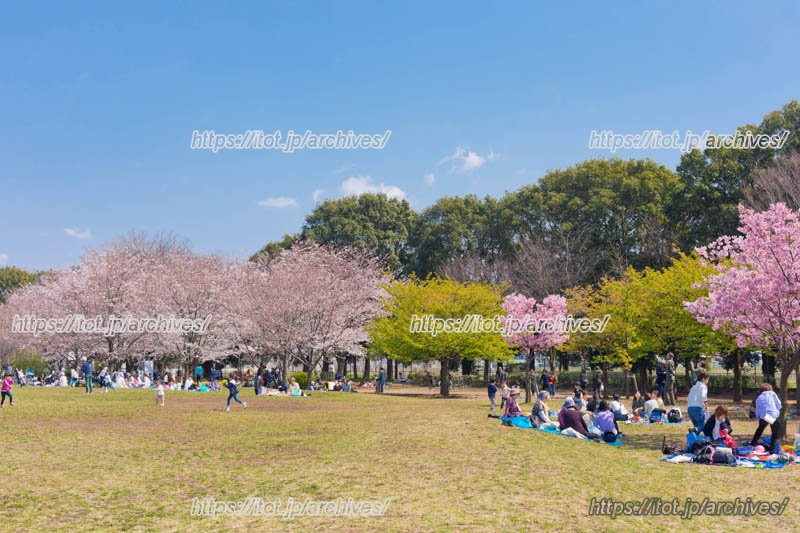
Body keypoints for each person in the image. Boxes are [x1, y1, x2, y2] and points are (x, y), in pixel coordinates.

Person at [750, 383, 782, 454]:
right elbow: (779, 404)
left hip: (763, 416)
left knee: (760, 430)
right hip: (771, 415)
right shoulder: (772, 393)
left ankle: (752, 444)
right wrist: (777, 410)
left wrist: (759, 416)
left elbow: (757, 409)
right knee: (775, 433)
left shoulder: (758, 397)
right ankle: (772, 450)